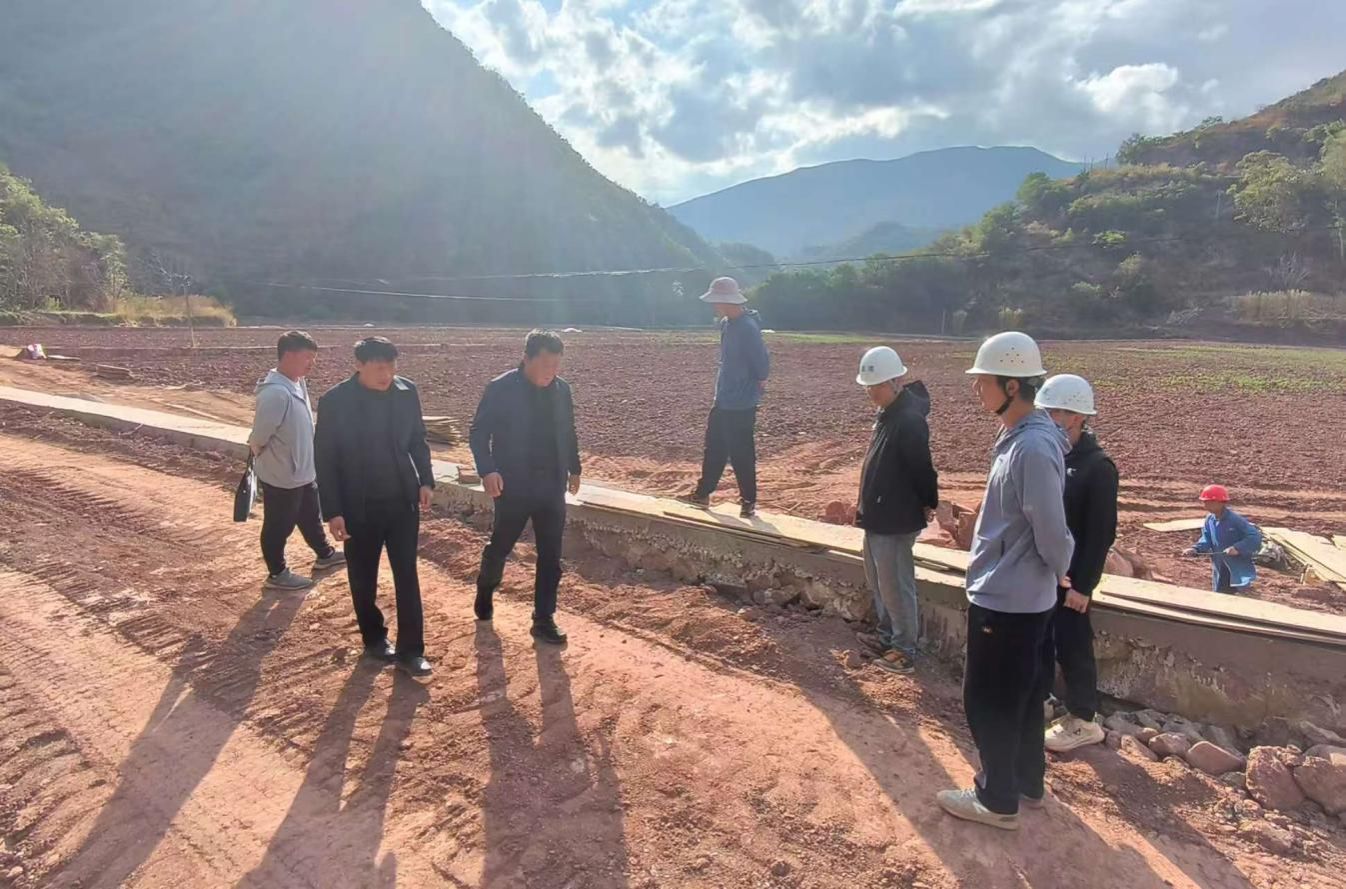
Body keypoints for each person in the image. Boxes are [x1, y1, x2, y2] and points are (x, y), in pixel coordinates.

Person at [937, 331, 1074, 832]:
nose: (977, 389)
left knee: (988, 699)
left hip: (1008, 598)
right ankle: (1026, 782)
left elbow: (1050, 529)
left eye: (984, 381)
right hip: (1021, 594)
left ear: (1012, 386)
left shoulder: (1030, 447)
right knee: (1024, 692)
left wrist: (1061, 568)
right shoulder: (1024, 436)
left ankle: (996, 799)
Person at [314, 337, 434, 677]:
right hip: (358, 505)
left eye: (391, 367)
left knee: (406, 574)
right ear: (359, 365)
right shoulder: (336, 402)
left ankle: (411, 651)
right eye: (379, 368)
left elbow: (417, 439)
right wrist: (333, 511)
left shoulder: (406, 392)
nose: (387, 375)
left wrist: (425, 480)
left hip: (401, 501)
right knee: (363, 576)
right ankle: (374, 637)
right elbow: (325, 459)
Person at [470, 330, 582, 646]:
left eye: (556, 364)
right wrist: (487, 470)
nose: (551, 371)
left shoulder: (562, 390)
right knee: (501, 545)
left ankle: (543, 619)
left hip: (551, 484)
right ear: (526, 359)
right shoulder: (501, 388)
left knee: (551, 554)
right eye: (545, 364)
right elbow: (478, 433)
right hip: (513, 484)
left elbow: (568, 430)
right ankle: (485, 588)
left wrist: (574, 467)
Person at [1034, 374, 1117, 753]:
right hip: (1043, 572)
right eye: (1046, 411)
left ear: (1078, 417)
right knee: (1040, 640)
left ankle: (1083, 719)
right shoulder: (1050, 456)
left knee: (1073, 644)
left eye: (1055, 411)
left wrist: (1083, 585)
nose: (1048, 418)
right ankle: (1042, 701)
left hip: (1071, 579)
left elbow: (1101, 534)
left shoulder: (1097, 468)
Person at [853, 346, 938, 675]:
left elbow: (922, 469)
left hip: (896, 517)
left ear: (895, 382)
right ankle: (888, 637)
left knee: (896, 585)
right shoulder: (888, 415)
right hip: (877, 514)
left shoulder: (908, 420)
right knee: (879, 582)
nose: (871, 393)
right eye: (867, 387)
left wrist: (929, 501)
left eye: (876, 386)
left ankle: (904, 649)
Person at [247, 330, 343, 591]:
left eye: (313, 357)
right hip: (282, 473)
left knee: (310, 515)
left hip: (303, 469)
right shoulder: (275, 393)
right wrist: (266, 456)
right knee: (279, 525)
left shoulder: (297, 383)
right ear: (289, 355)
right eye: (307, 357)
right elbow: (259, 436)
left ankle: (325, 555)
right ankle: (277, 573)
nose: (312, 363)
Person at [678, 276, 770, 518]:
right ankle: (702, 494)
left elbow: (761, 363)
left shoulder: (748, 328)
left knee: (741, 451)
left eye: (716, 301)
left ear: (727, 301)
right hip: (724, 397)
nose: (714, 305)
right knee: (714, 447)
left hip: (741, 401)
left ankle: (748, 501)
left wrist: (757, 384)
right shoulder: (727, 324)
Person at [1183, 485, 1262, 594]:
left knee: (1238, 596)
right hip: (1220, 566)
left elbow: (1254, 536)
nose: (1205, 505)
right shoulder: (1210, 519)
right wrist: (1195, 549)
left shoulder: (1234, 519)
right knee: (1220, 593)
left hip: (1237, 568)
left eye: (1208, 502)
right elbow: (1207, 538)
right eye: (1204, 502)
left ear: (1220, 502)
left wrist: (1237, 548)